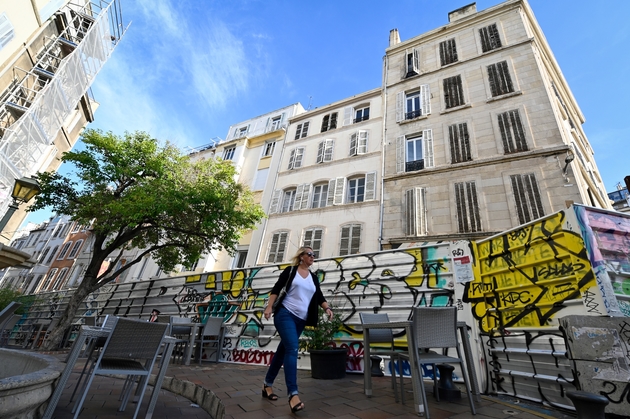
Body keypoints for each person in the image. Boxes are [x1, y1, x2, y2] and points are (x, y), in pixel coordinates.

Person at [262, 246, 333, 413]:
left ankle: (267, 385)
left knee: (282, 352)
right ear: (301, 256)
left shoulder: (313, 278)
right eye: (310, 254)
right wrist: (269, 307)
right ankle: (293, 394)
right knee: (292, 348)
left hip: (301, 320)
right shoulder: (291, 271)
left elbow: (319, 296)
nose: (312, 257)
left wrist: (327, 308)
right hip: (285, 314)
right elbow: (277, 288)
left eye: (314, 255)